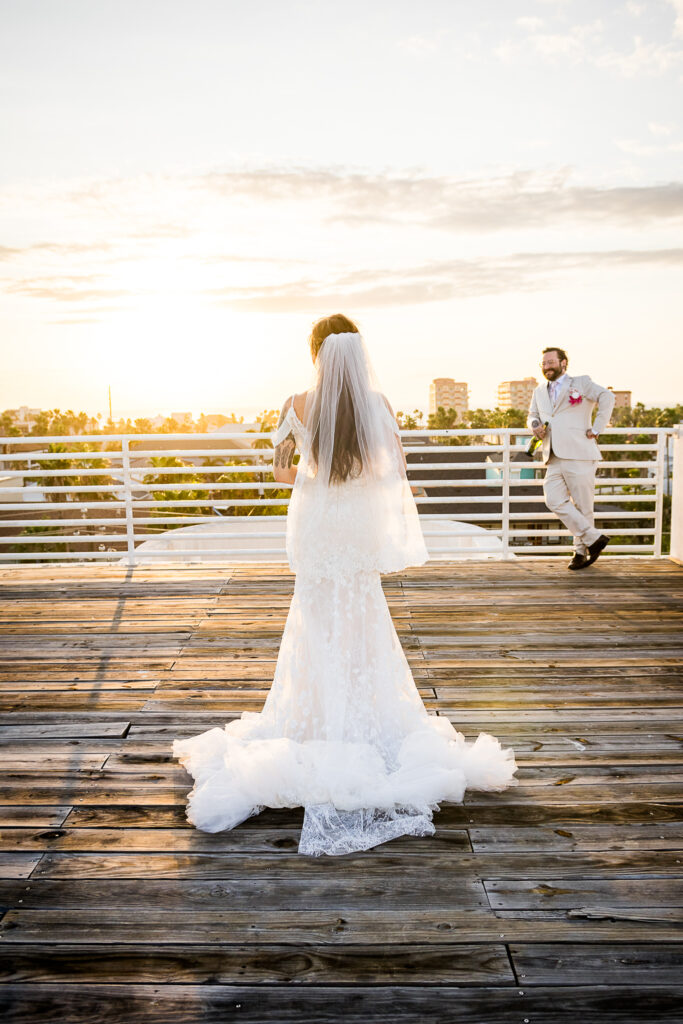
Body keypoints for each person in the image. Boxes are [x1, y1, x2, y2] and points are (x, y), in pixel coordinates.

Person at [172, 314, 518, 856]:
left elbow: (281, 472)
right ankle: (362, 716)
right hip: (355, 529)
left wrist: (314, 473)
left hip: (318, 525)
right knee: (361, 620)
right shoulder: (376, 404)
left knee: (315, 622)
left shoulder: (295, 404)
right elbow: (394, 472)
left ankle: (313, 718)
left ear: (316, 353)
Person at [528, 346, 616, 570]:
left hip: (580, 454)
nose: (547, 367)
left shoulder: (581, 383)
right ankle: (594, 538)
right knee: (553, 499)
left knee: (584, 506)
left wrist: (597, 428)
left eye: (550, 362)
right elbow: (532, 415)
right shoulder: (539, 390)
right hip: (553, 455)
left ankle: (580, 552)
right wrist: (535, 426)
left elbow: (607, 396)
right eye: (543, 364)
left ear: (563, 363)